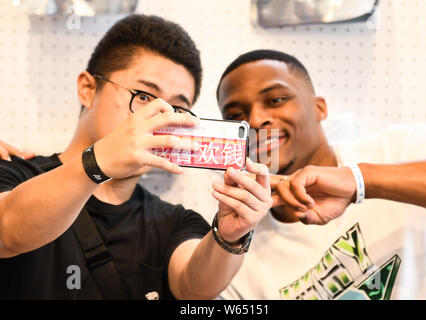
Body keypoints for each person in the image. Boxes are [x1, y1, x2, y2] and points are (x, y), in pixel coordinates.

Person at [0, 15, 272, 300]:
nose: (161, 118)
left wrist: (229, 236)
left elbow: (193, 286)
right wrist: (99, 161)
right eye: (143, 96)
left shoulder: (173, 222)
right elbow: (7, 231)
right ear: (88, 89)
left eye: (177, 109)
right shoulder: (15, 172)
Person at [216, 49, 426, 300]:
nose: (255, 119)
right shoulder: (236, 253)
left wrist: (361, 181)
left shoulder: (403, 148)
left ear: (319, 108)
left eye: (276, 100)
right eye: (235, 115)